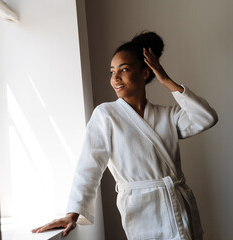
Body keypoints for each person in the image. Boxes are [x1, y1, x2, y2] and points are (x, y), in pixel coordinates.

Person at [31, 31, 218, 239]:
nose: (115, 78)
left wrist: (166, 80)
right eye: (112, 72)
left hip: (180, 208)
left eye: (124, 69)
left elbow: (207, 117)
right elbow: (89, 166)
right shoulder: (106, 115)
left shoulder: (168, 115)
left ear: (146, 73)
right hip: (142, 212)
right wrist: (72, 213)